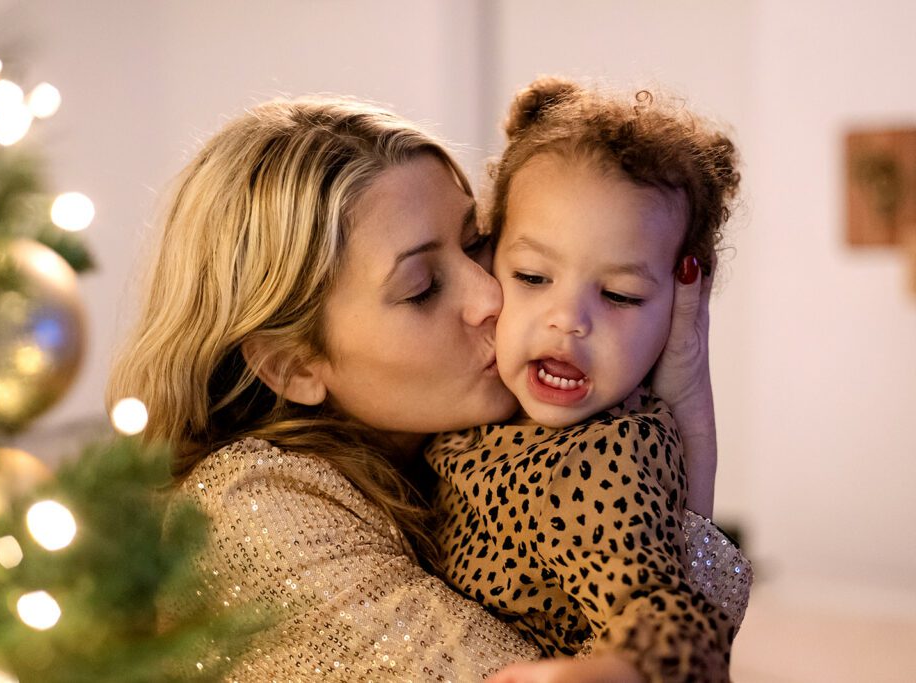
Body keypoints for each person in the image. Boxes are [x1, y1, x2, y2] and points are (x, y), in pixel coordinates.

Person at [106, 94, 750, 681]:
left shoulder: (477, 445)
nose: (489, 296)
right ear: (293, 366)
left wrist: (685, 413)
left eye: (477, 245)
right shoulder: (251, 508)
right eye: (422, 288)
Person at [426, 77, 747, 683]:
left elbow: (665, 612)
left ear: (677, 312)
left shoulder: (603, 454)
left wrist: (607, 674)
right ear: (489, 258)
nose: (568, 320)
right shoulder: (478, 403)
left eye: (620, 295)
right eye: (532, 277)